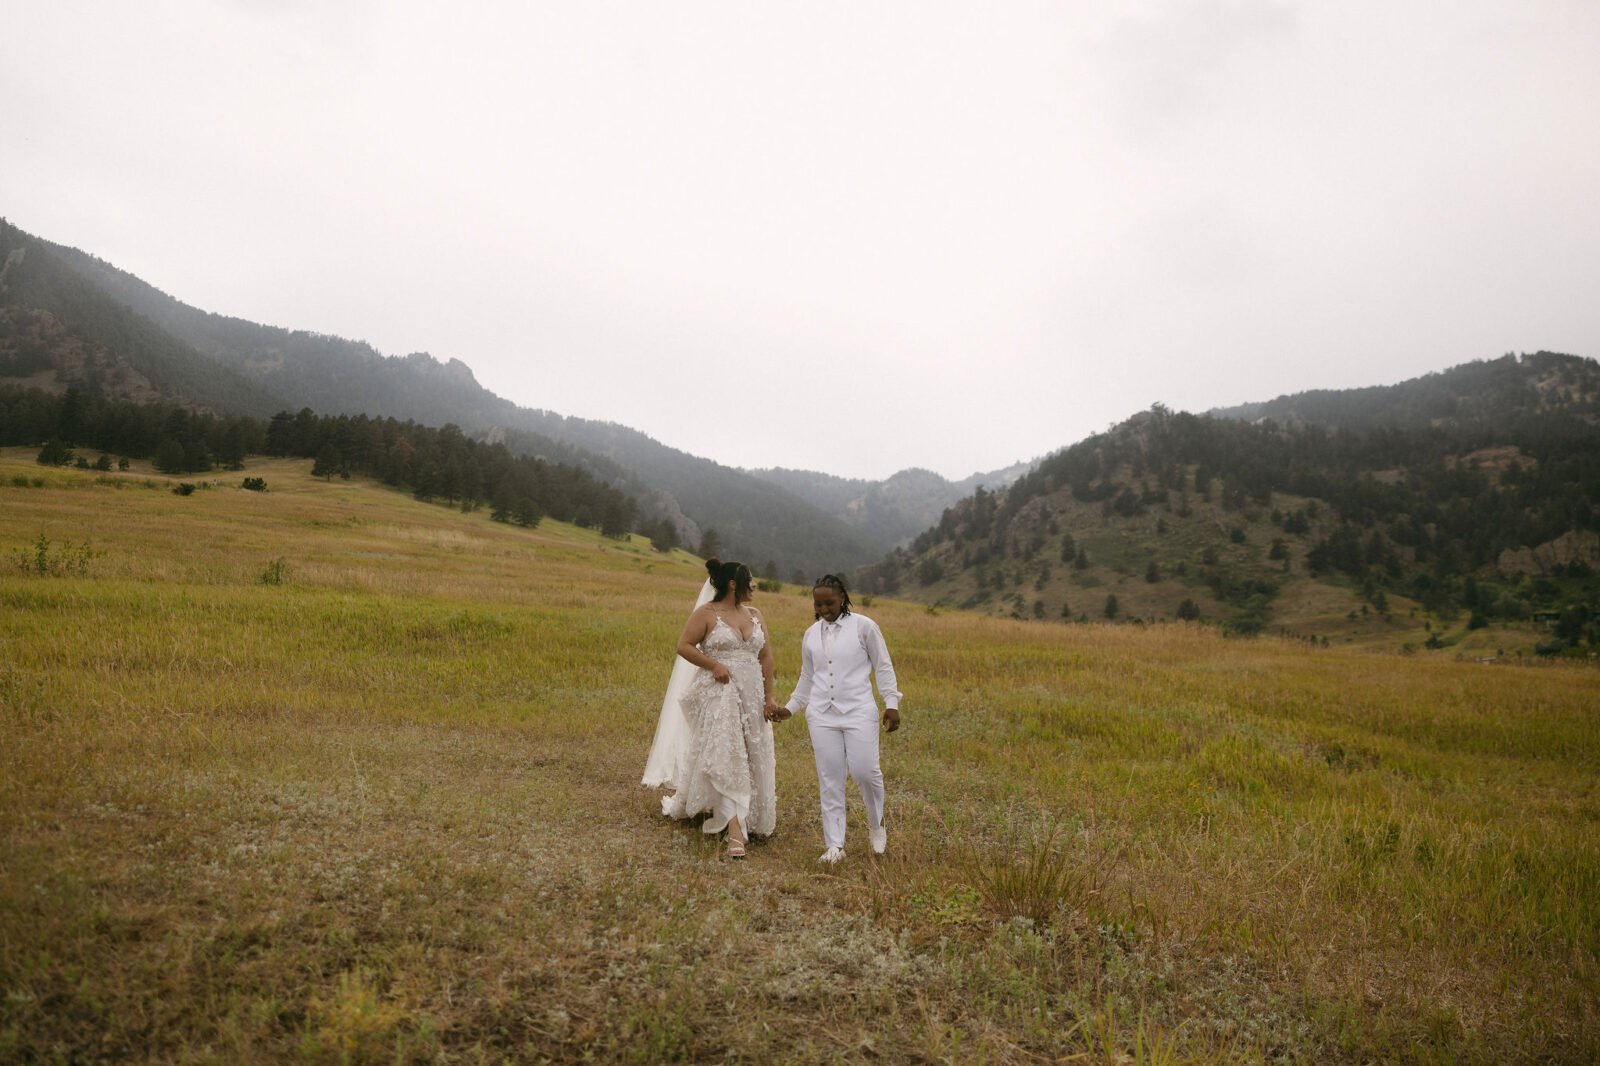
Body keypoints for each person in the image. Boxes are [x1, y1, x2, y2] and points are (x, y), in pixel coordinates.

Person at [643, 558, 787, 859]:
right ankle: (734, 831)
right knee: (726, 753)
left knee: (751, 752)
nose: (755, 585)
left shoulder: (756, 614)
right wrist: (714, 664)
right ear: (733, 583)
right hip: (719, 692)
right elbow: (684, 645)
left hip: (752, 692)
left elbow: (766, 656)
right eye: (749, 579)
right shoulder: (706, 614)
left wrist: (768, 697)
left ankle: (749, 814)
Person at [783, 573, 901, 864]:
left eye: (829, 603)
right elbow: (807, 677)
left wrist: (892, 702)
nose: (823, 609)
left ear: (842, 599)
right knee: (830, 778)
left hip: (859, 711)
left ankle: (877, 824)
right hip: (821, 715)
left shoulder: (865, 627)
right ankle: (835, 845)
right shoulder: (811, 634)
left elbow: (883, 666)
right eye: (818, 604)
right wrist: (790, 708)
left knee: (865, 771)